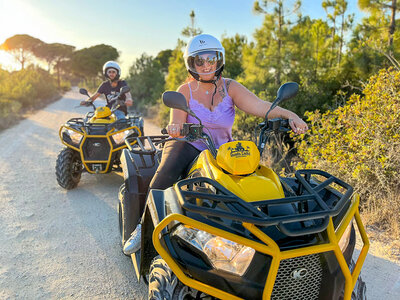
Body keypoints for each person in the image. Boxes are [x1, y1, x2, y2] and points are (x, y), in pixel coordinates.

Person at [123, 34, 308, 255]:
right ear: (191, 63)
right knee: (166, 170)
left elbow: (261, 106)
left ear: (219, 60)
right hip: (188, 144)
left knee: (254, 178)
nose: (206, 65)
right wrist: (175, 128)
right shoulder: (185, 90)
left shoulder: (231, 87)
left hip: (222, 150)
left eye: (211, 59)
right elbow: (176, 122)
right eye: (199, 61)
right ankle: (142, 227)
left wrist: (290, 115)